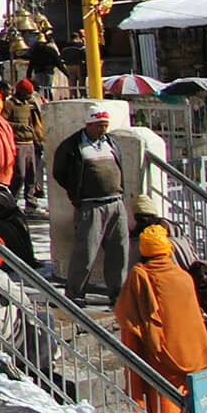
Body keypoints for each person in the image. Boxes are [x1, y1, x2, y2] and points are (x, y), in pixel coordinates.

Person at [116, 225, 207, 413]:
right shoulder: (183, 277)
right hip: (194, 353)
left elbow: (126, 313)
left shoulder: (140, 275)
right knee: (191, 405)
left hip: (163, 355)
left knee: (166, 405)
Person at [52, 106, 130, 304]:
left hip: (115, 203)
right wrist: (76, 192)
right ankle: (75, 293)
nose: (103, 130)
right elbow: (59, 172)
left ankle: (118, 293)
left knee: (118, 250)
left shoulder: (111, 143)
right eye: (99, 126)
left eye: (105, 126)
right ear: (89, 124)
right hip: (90, 206)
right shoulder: (73, 146)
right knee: (86, 251)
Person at [3, 79, 46, 210]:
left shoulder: (29, 104)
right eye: (27, 94)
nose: (30, 96)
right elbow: (4, 121)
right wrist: (20, 127)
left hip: (30, 143)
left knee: (31, 175)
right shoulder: (10, 104)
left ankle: (31, 201)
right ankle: (12, 200)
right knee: (20, 175)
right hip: (18, 144)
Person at [28, 32, 66, 97]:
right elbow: (58, 62)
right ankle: (49, 102)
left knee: (39, 90)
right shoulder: (50, 50)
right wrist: (66, 73)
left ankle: (41, 103)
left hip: (38, 72)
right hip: (48, 73)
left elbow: (31, 63)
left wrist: (28, 74)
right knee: (48, 90)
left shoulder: (35, 51)